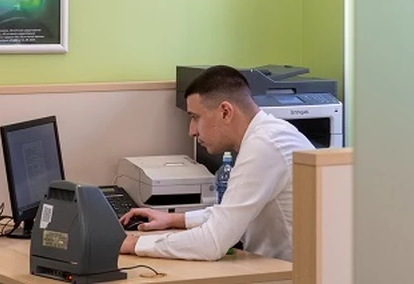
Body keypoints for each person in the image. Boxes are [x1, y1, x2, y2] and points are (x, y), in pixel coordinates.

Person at [119, 65, 314, 261]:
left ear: (225, 112)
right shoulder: (271, 134)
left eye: (195, 117)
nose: (192, 131)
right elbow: (231, 212)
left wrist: (135, 244)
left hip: (291, 273)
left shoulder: (264, 146)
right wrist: (173, 219)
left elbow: (212, 242)